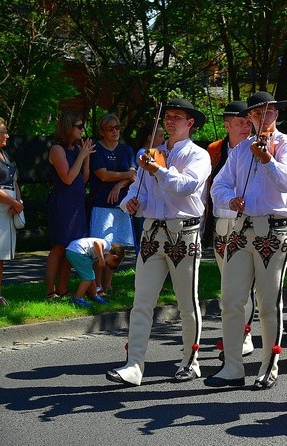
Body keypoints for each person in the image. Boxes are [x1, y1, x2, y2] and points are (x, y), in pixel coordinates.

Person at [105, 98, 210, 386]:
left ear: (190, 124)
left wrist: (158, 170)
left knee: (187, 302)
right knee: (142, 302)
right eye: (168, 116)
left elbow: (184, 187)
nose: (170, 120)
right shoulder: (152, 154)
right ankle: (134, 365)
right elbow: (138, 190)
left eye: (177, 117)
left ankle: (191, 360)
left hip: (183, 234)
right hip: (152, 233)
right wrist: (131, 202)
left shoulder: (198, 156)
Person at [204, 91, 287, 390]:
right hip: (242, 227)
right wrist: (229, 199)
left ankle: (269, 365)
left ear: (277, 114)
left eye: (270, 112)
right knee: (233, 299)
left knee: (268, 301)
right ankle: (232, 366)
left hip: (274, 228)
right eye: (258, 114)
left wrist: (268, 159)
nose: (264, 117)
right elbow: (218, 184)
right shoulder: (241, 149)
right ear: (250, 118)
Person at [208, 100, 256, 359]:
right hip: (222, 222)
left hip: (247, 223)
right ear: (227, 125)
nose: (246, 127)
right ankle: (234, 332)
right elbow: (211, 187)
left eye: (249, 122)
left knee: (246, 283)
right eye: (240, 123)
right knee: (229, 283)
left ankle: (244, 335)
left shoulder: (256, 149)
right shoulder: (215, 151)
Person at [46, 111, 93, 301]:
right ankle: (51, 290)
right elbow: (67, 178)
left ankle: (63, 289)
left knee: (71, 248)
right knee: (58, 247)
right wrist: (82, 156)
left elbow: (84, 178)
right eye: (79, 126)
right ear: (68, 127)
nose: (83, 130)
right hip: (63, 204)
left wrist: (86, 156)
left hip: (77, 205)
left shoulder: (76, 149)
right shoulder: (57, 150)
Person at [89, 113, 137, 296]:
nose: (115, 131)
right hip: (101, 203)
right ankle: (97, 285)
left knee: (117, 248)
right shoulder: (96, 149)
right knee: (101, 246)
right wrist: (125, 176)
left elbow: (134, 174)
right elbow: (103, 175)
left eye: (117, 127)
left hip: (122, 204)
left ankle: (109, 284)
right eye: (110, 129)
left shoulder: (126, 150)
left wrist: (118, 185)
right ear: (102, 132)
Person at [0, 116, 23, 307]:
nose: (7, 135)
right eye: (4, 132)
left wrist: (18, 202)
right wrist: (13, 201)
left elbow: (13, 181)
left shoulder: (4, 155)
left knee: (0, 255)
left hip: (8, 208)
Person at [132, 122, 166, 257]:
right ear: (149, 137)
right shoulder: (144, 153)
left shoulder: (158, 153)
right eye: (161, 136)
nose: (163, 139)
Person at [65, 237, 125, 306]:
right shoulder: (108, 246)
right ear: (114, 257)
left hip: (74, 250)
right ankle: (77, 298)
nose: (106, 265)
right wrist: (101, 259)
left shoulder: (106, 249)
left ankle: (94, 295)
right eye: (108, 264)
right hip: (78, 251)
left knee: (91, 275)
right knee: (88, 278)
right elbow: (97, 243)